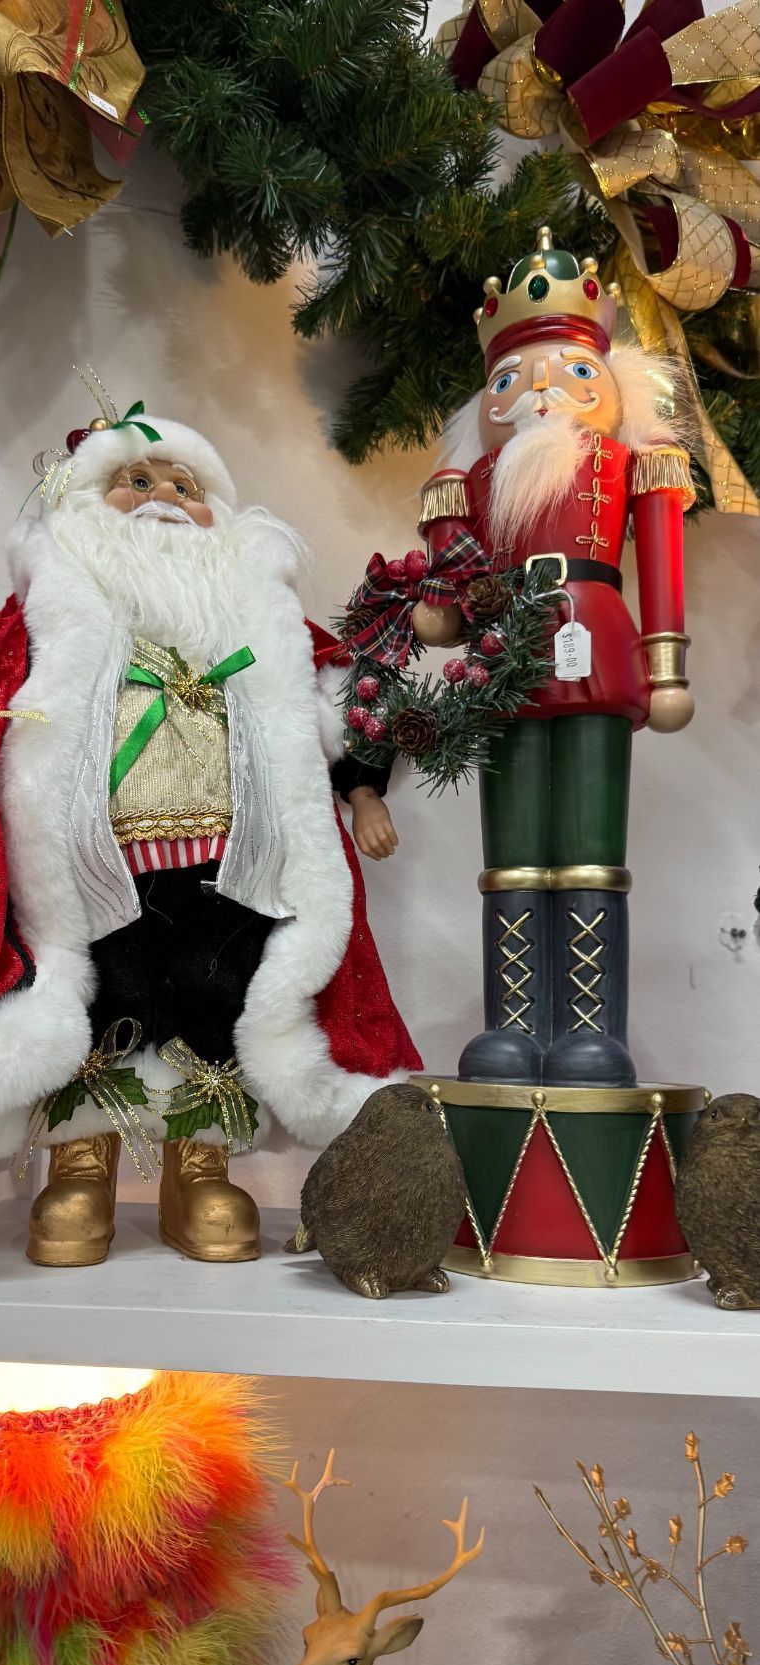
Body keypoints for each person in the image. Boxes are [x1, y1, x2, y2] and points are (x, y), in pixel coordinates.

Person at [0, 403, 419, 1265]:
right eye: (138, 480)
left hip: (228, 872)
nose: (165, 496)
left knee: (217, 1011)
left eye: (187, 485)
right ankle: (78, 1167)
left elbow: (339, 712)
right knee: (96, 1011)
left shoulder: (263, 624)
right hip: (93, 872)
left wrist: (364, 794)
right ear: (85, 504)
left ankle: (197, 1167)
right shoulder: (47, 618)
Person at [416, 226, 695, 1087]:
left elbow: (660, 564)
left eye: (569, 371)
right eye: (512, 378)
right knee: (512, 850)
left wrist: (667, 665)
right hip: (505, 657)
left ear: (609, 386)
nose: (539, 390)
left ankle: (586, 1031)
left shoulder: (630, 464)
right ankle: (512, 1029)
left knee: (586, 844)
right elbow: (444, 595)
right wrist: (440, 605)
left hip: (599, 646)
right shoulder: (471, 482)